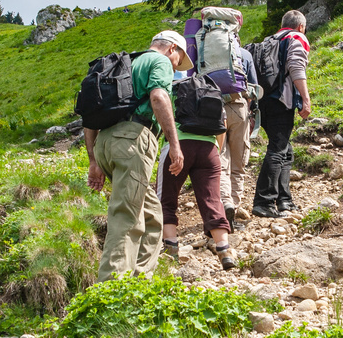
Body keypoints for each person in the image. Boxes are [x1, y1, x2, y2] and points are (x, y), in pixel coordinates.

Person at [84, 30, 194, 282]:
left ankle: (140, 280)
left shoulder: (124, 65)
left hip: (106, 142)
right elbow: (158, 96)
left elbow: (90, 113)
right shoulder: (160, 61)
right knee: (127, 216)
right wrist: (175, 145)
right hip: (134, 139)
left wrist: (94, 160)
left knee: (152, 215)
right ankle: (111, 290)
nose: (176, 67)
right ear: (172, 49)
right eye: (178, 60)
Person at [156, 73, 236, 271]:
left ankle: (171, 250)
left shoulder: (169, 91)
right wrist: (216, 149)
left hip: (178, 146)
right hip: (209, 149)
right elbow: (222, 124)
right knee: (212, 199)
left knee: (166, 199)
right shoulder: (209, 88)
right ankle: (224, 249)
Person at [251, 10, 312, 218]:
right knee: (278, 149)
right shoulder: (296, 37)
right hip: (280, 101)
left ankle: (284, 200)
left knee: (285, 150)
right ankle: (264, 201)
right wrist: (305, 98)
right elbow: (296, 66)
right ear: (301, 26)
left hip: (261, 100)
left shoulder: (269, 40)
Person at [220, 47, 260, 231]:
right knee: (238, 163)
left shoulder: (201, 47)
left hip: (212, 109)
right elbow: (254, 89)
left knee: (220, 163)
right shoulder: (243, 53)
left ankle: (223, 204)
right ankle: (233, 210)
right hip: (238, 107)